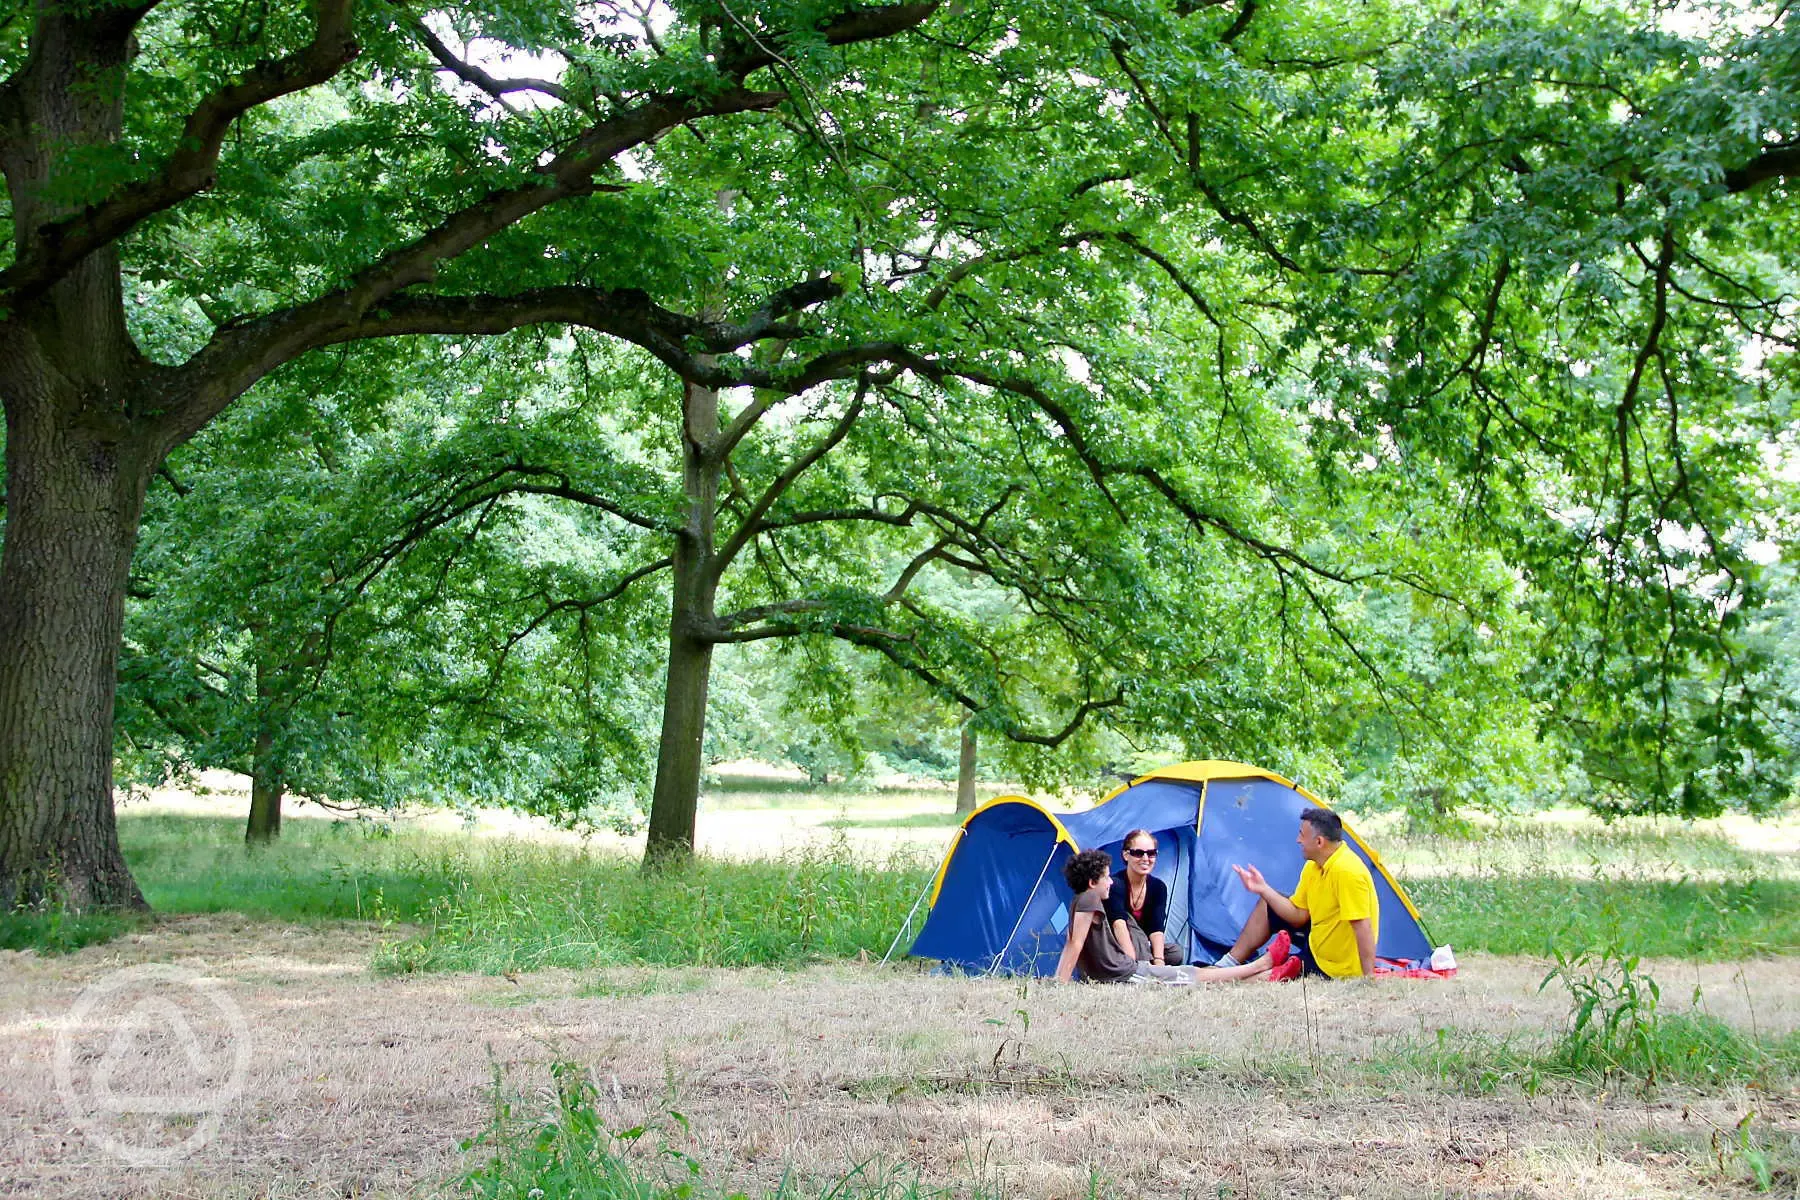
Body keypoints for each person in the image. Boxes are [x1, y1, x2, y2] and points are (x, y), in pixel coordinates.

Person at [1053, 848, 1287, 984]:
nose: (1111, 882)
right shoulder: (1090, 899)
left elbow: (1071, 942)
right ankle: (1260, 966)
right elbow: (1075, 943)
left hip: (1122, 970)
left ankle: (1264, 974)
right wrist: (1061, 983)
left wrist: (1058, 980)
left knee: (1187, 977)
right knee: (1190, 976)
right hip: (1124, 973)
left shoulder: (1080, 900)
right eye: (1106, 877)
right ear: (1093, 882)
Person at [1212, 806, 1379, 981]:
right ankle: (1227, 963)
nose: (1298, 840)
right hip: (1318, 941)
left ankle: (1250, 970)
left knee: (1259, 979)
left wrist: (1367, 978)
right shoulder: (1313, 866)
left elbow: (1362, 927)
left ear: (1319, 842)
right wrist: (1263, 888)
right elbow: (1298, 915)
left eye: (1302, 835)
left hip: (1336, 965)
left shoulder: (1348, 871)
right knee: (1268, 903)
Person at [1104, 828, 1185, 966]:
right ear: (1126, 855)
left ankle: (1147, 961)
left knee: (1175, 953)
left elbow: (1156, 927)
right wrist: (1132, 962)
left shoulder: (1158, 887)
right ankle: (1141, 962)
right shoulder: (1114, 884)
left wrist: (1159, 961)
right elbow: (1119, 925)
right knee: (1130, 925)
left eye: (1151, 853)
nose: (1145, 859)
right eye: (1138, 853)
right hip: (1117, 944)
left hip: (1143, 945)